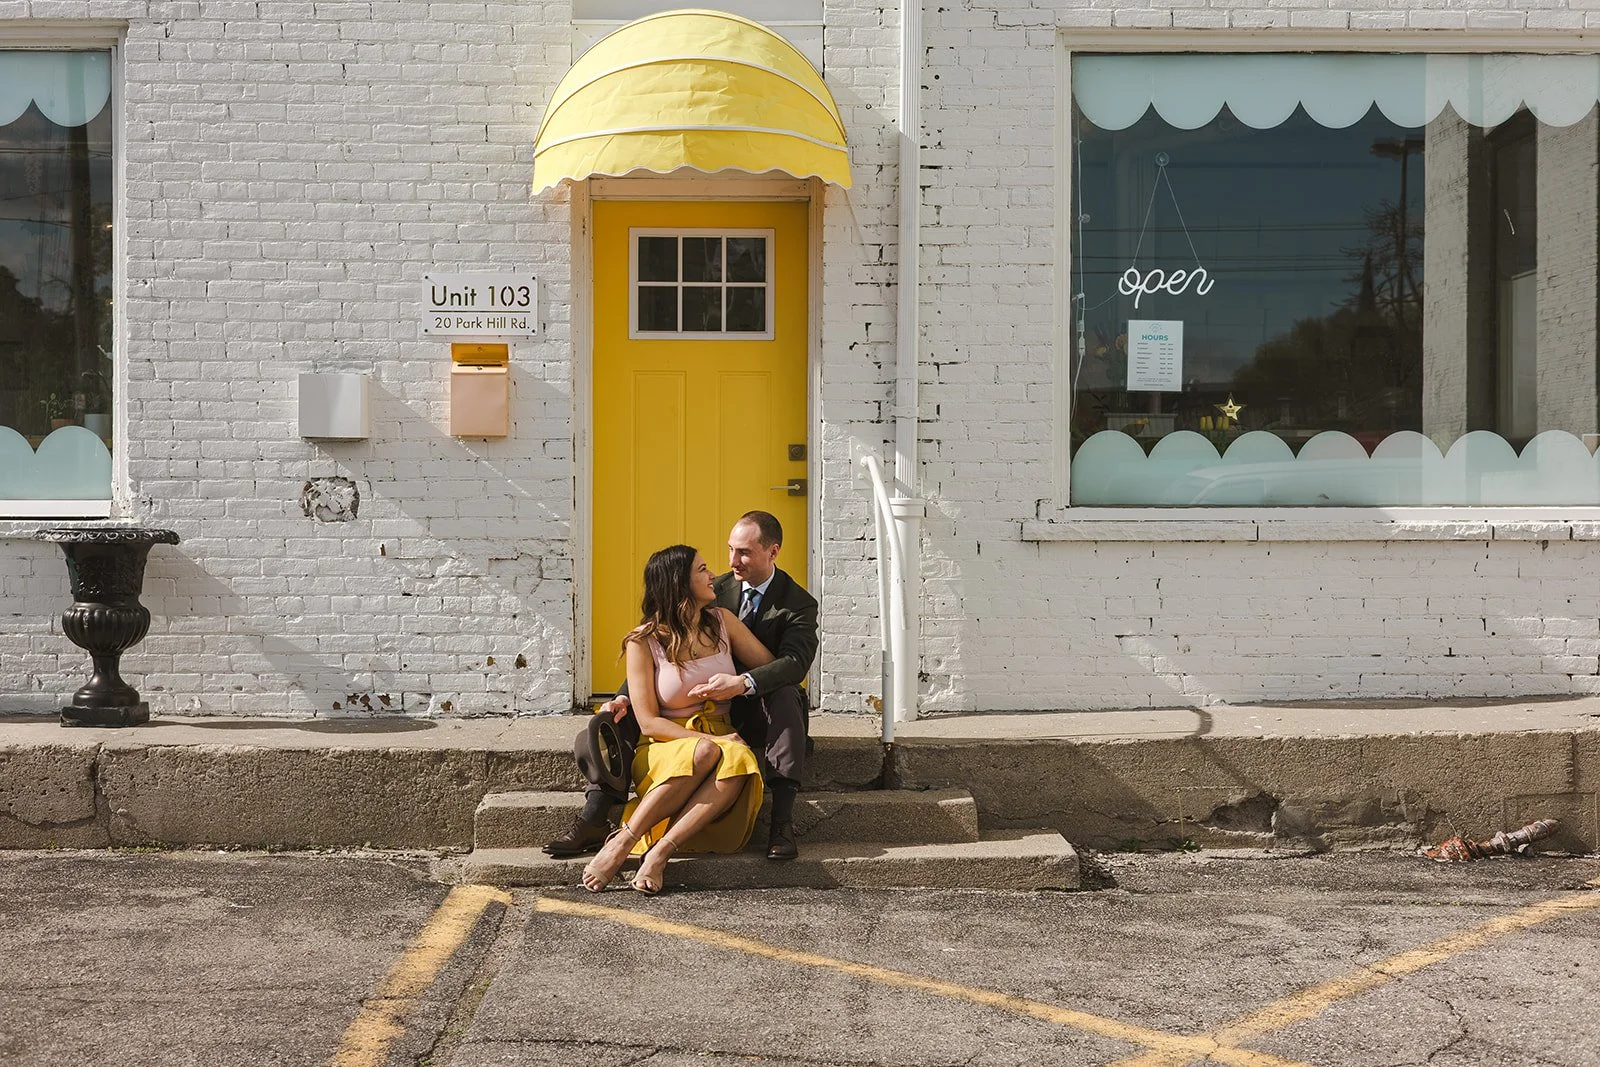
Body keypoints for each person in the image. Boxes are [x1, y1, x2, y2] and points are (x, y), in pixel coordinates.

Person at [547, 510, 820, 861]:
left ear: (773, 552)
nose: (731, 562)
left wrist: (741, 684)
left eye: (744, 553)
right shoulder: (714, 591)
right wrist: (621, 695)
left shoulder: (796, 603)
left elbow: (793, 665)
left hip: (751, 707)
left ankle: (781, 822)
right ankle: (595, 815)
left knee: (785, 695)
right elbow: (661, 650)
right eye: (730, 550)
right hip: (686, 712)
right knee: (621, 714)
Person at [580, 543, 773, 894]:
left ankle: (661, 852)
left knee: (739, 759)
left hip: (720, 735)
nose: (713, 574)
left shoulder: (723, 623)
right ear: (678, 583)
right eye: (701, 570)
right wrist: (715, 741)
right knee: (709, 752)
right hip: (663, 743)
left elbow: (768, 666)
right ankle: (623, 841)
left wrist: (736, 684)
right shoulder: (644, 641)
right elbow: (650, 722)